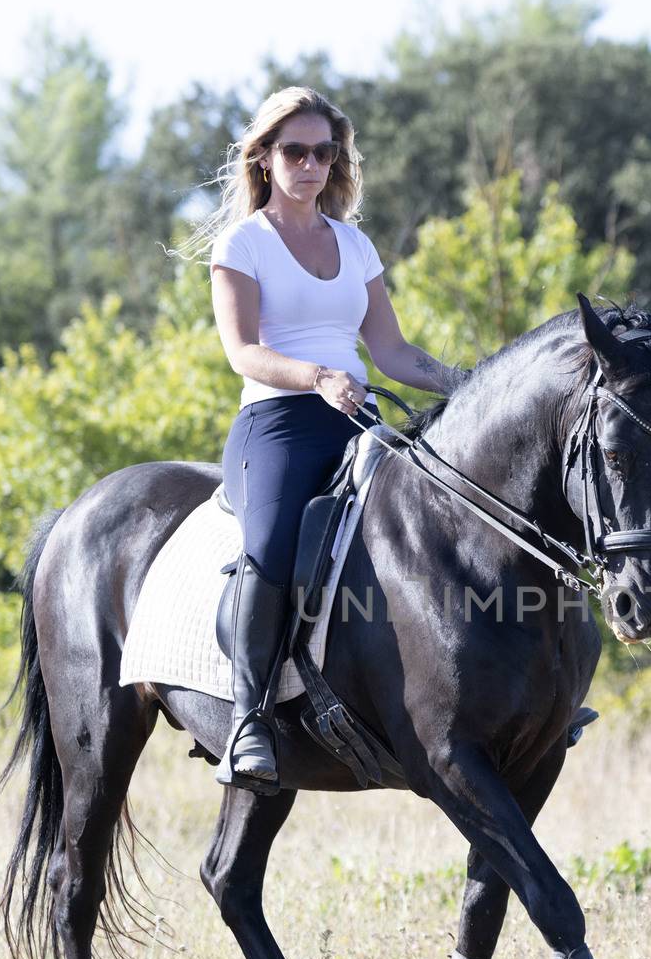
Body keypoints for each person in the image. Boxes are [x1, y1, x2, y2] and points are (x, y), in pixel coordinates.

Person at [196, 86, 469, 790]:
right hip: (277, 421)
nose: (311, 163)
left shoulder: (354, 243)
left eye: (325, 151)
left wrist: (470, 382)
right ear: (264, 157)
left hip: (357, 417)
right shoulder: (243, 243)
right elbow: (242, 352)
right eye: (295, 150)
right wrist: (315, 375)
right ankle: (250, 720)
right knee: (271, 547)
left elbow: (393, 354)